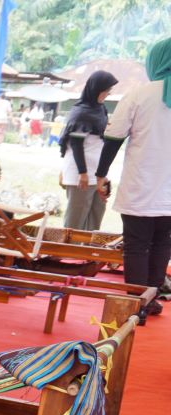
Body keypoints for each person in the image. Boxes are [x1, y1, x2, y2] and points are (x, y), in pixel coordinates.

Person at [96, 37, 171, 324]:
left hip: (141, 185)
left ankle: (135, 308)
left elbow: (113, 139)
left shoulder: (139, 95)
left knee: (137, 245)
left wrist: (101, 176)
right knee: (163, 243)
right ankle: (150, 301)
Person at [60, 71, 119, 231]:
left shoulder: (101, 109)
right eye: (106, 90)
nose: (107, 94)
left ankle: (87, 254)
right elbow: (76, 144)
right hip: (81, 173)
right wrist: (83, 173)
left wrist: (103, 173)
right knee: (75, 221)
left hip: (97, 172)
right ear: (96, 89)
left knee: (96, 215)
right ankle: (68, 253)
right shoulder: (81, 112)